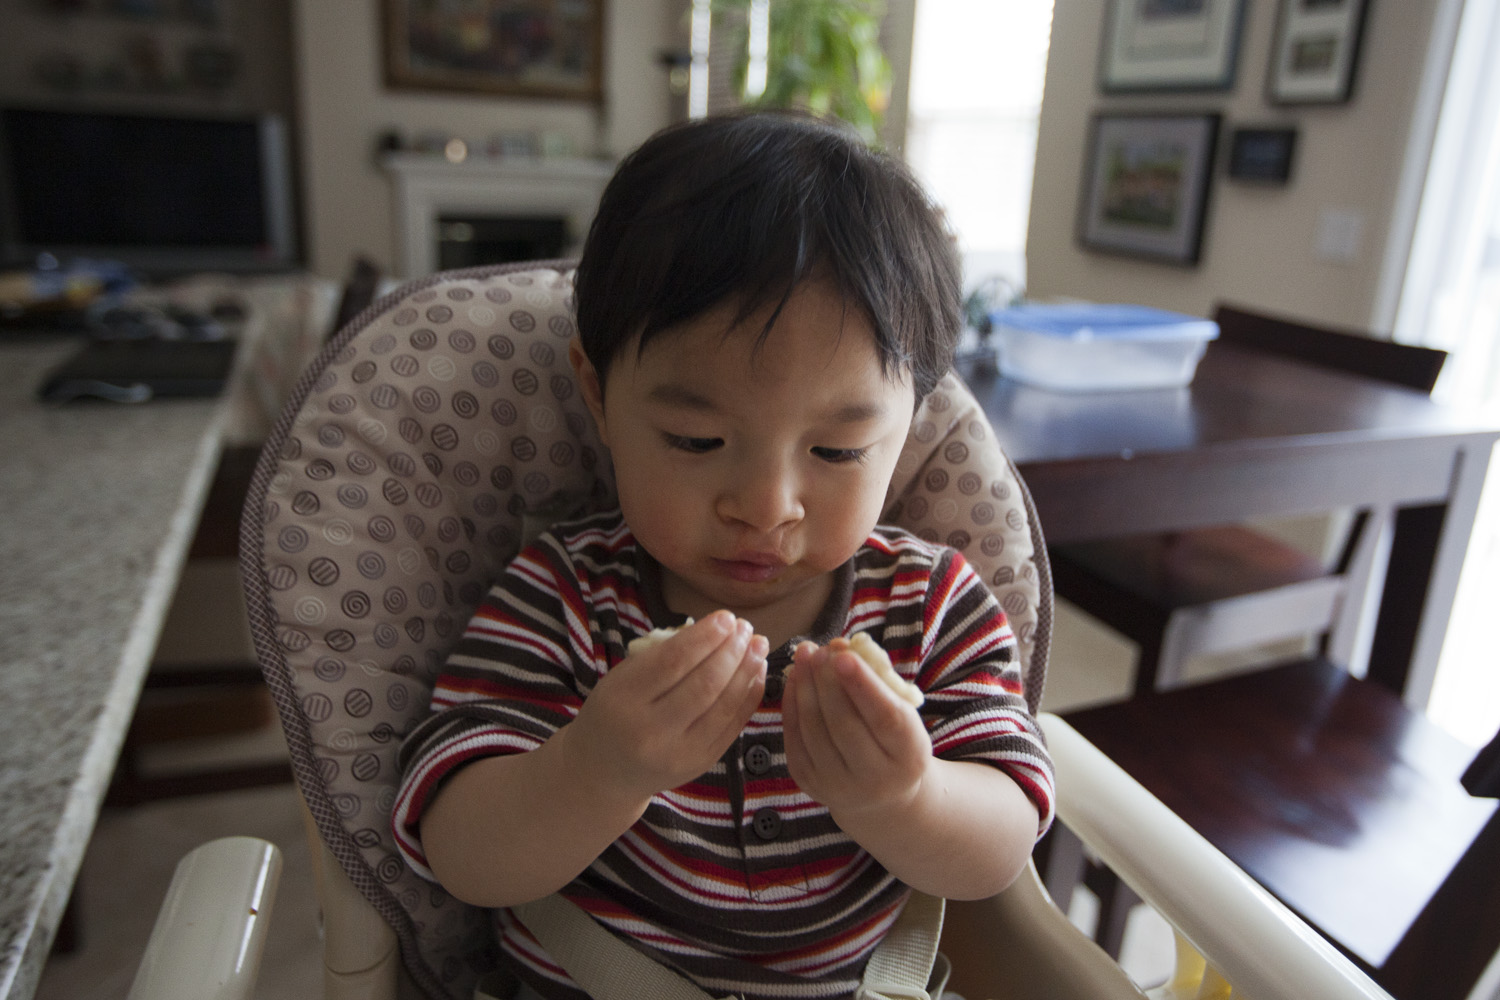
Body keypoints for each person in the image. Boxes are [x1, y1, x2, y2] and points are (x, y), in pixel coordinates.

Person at [392, 110, 1054, 1000]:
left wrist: (907, 798)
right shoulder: (563, 596)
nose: (766, 508)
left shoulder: (930, 605)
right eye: (696, 440)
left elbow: (1003, 847)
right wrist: (598, 768)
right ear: (599, 397)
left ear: (909, 429)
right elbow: (461, 852)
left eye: (837, 451)